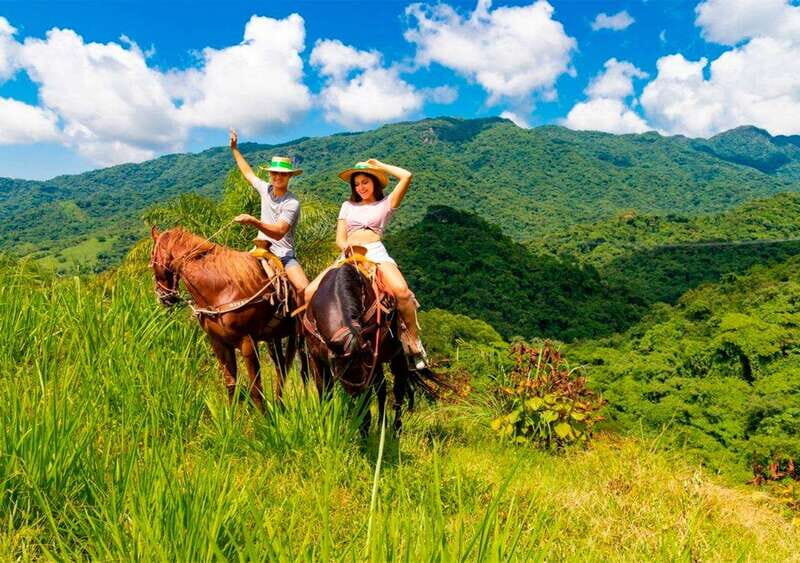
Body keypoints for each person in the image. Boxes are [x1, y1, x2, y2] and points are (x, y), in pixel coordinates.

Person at [304, 159, 427, 369]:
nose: (360, 187)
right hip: (348, 254)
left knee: (402, 292)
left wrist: (380, 166)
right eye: (356, 184)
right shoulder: (347, 206)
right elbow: (340, 239)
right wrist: (348, 250)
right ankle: (315, 342)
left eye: (365, 182)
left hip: (375, 253)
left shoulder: (386, 204)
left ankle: (414, 342)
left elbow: (406, 176)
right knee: (309, 292)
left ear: (375, 182)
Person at [228, 129, 309, 300]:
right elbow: (248, 173)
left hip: (283, 254)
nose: (278, 176)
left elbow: (279, 232)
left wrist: (253, 221)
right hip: (259, 249)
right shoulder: (265, 189)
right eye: (274, 173)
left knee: (304, 289)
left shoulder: (292, 202)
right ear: (270, 174)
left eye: (282, 174)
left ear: (289, 176)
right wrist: (234, 149)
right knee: (232, 279)